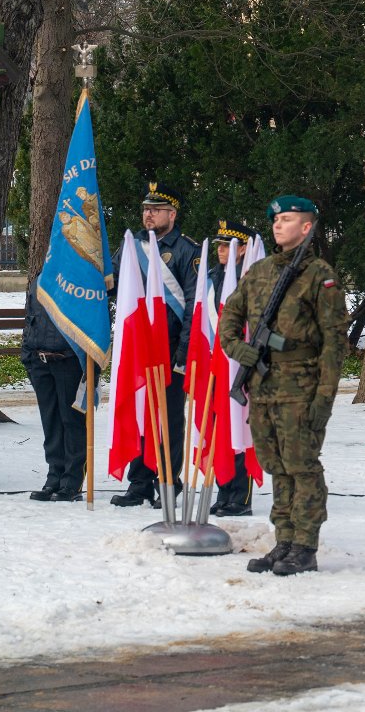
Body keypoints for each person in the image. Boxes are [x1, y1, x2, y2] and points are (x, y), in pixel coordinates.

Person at [219, 196, 347, 577]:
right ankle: (285, 541)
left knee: (302, 467)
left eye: (287, 219)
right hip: (263, 386)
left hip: (301, 386)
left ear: (307, 227)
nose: (278, 225)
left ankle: (305, 547)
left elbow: (334, 343)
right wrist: (238, 349)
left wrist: (323, 397)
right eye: (275, 219)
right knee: (276, 466)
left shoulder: (320, 276)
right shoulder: (259, 272)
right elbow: (231, 313)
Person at [111, 181, 201, 508]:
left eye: (156, 210)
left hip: (171, 348)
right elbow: (113, 283)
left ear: (172, 214)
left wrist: (184, 352)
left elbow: (193, 305)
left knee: (169, 420)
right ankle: (139, 484)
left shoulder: (187, 251)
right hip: (139, 349)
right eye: (146, 209)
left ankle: (167, 481)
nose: (148, 214)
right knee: (139, 414)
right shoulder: (132, 245)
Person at [19, 276, 86, 502]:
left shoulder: (78, 278)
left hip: (68, 361)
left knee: (71, 421)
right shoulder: (40, 279)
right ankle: (53, 477)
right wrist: (27, 356)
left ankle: (72, 481)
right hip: (40, 362)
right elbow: (31, 319)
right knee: (51, 422)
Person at [210, 219, 255, 517]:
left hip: (240, 362)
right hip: (217, 361)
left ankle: (241, 496)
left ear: (241, 250)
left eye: (227, 246)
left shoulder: (251, 278)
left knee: (240, 428)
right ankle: (224, 488)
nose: (221, 250)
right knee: (219, 429)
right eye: (219, 246)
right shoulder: (213, 276)